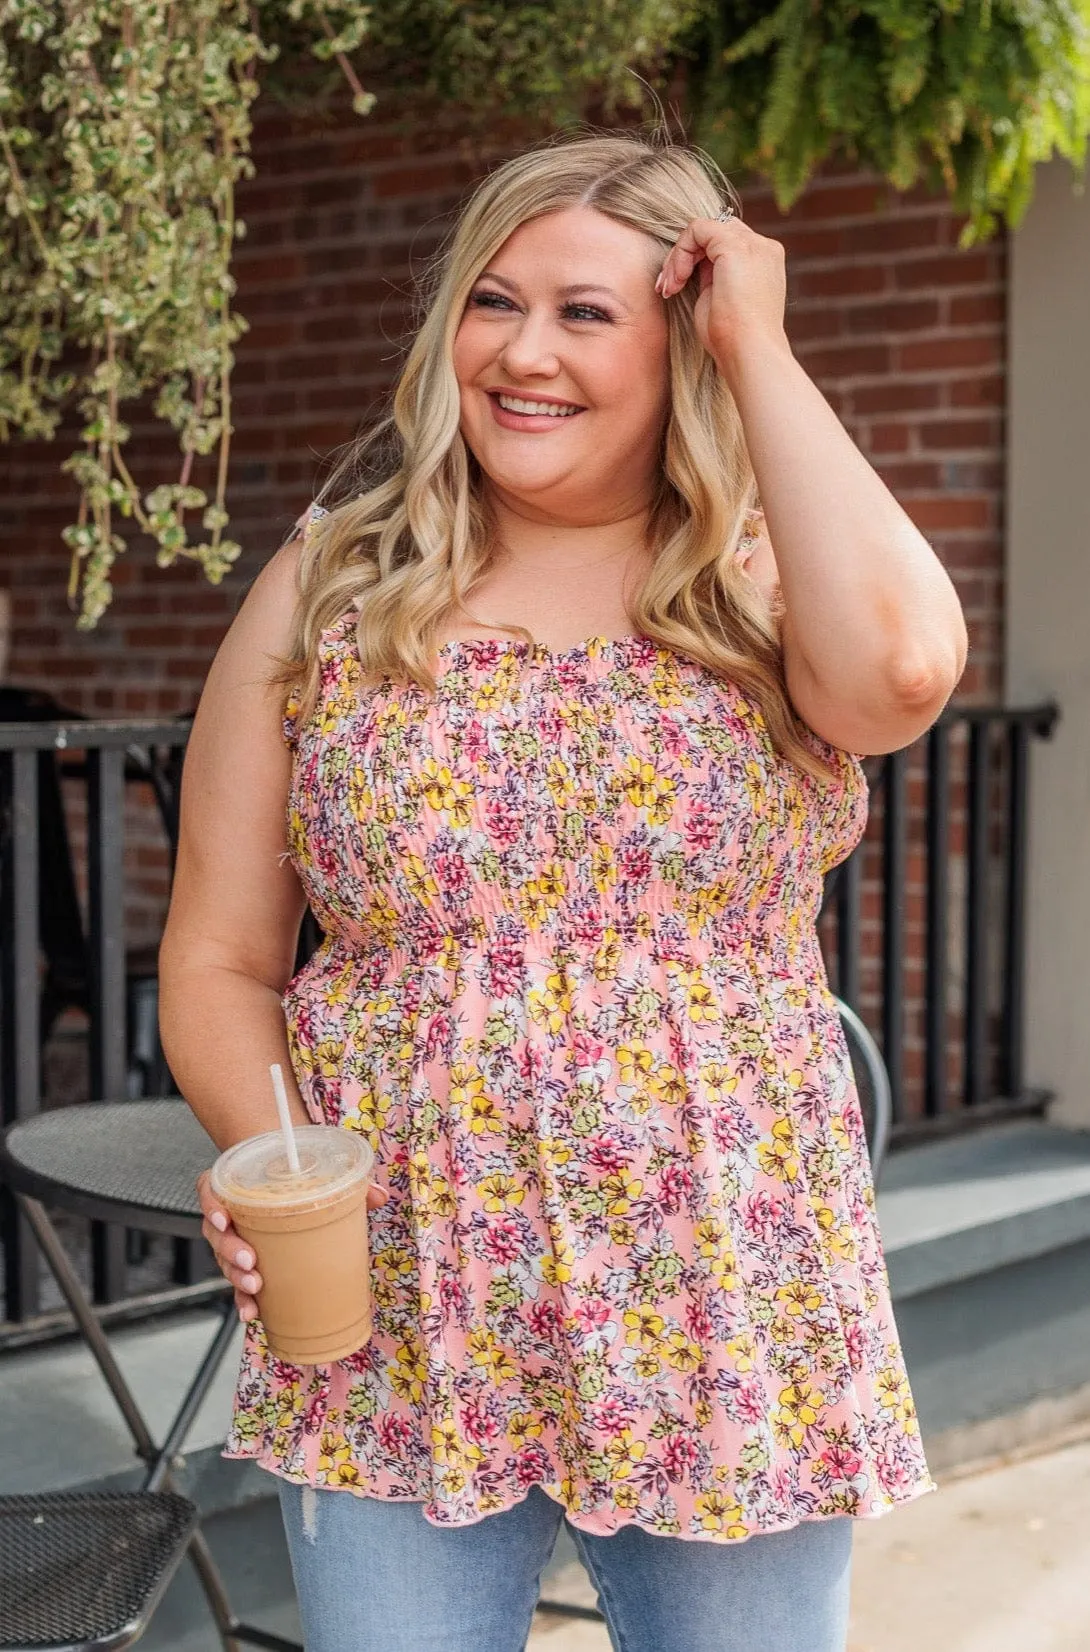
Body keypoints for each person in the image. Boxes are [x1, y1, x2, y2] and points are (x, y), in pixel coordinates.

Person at [159, 131, 966, 1652]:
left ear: (685, 340)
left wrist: (764, 348)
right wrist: (267, 1157)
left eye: (585, 313)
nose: (522, 353)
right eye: (491, 301)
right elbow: (215, 953)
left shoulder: (761, 575)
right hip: (399, 1295)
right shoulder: (333, 580)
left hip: (724, 1284)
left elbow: (903, 674)